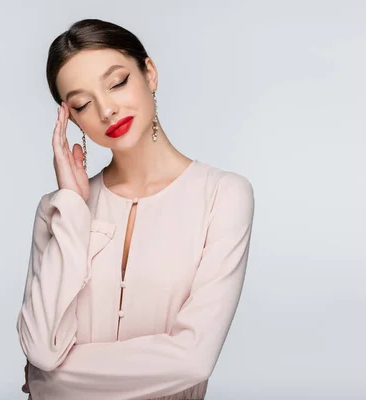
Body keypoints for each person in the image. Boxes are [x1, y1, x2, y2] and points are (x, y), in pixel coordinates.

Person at [15, 18, 255, 400]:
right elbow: (41, 348)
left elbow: (192, 361)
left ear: (150, 73)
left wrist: (54, 379)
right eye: (82, 103)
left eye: (117, 82)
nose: (107, 109)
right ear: (71, 117)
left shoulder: (223, 196)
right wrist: (74, 207)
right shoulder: (57, 211)